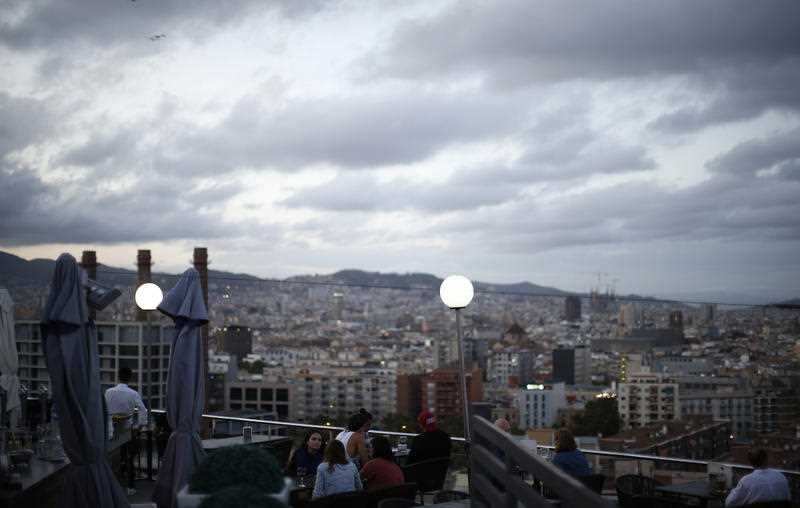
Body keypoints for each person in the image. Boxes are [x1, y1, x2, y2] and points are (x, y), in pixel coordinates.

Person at [725, 448, 790, 507]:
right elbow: (788, 501)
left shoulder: (746, 481)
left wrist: (735, 489)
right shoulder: (781, 477)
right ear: (766, 459)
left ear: (751, 462)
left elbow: (729, 503)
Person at [105, 366, 148, 439]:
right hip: (126, 431)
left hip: (109, 430)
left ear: (118, 377)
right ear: (130, 378)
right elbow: (143, 410)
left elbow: (103, 409)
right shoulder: (134, 393)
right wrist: (139, 426)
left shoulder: (108, 392)